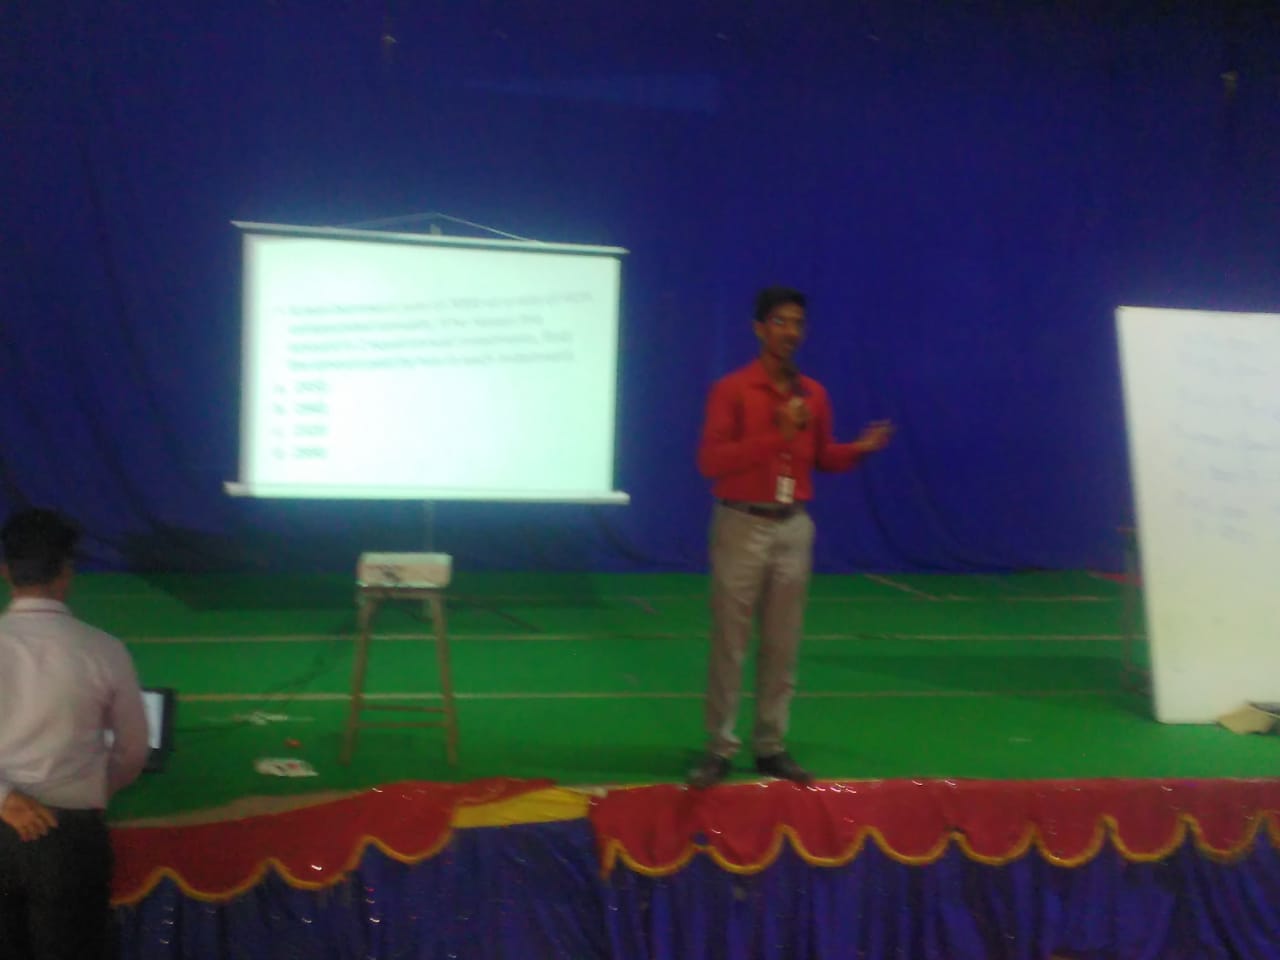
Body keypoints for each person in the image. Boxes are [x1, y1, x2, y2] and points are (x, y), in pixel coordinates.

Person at [688, 287, 893, 788]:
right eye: (780, 322)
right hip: (742, 524)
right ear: (759, 329)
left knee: (782, 644)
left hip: (793, 527)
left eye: (798, 323)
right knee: (731, 643)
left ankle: (770, 745)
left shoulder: (814, 395)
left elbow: (821, 456)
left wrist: (858, 449)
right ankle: (719, 748)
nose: (791, 332)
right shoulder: (733, 390)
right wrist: (776, 435)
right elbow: (711, 462)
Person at [0, 508, 149, 959]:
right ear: (67, 572)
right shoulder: (103, 649)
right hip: (70, 836)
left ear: (5, 571)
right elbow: (132, 752)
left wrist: (5, 797)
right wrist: (92, 793)